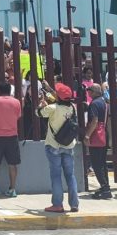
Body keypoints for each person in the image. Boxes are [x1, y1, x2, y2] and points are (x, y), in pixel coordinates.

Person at [39, 82, 78, 213]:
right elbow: (56, 97)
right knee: (70, 175)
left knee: (56, 176)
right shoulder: (73, 107)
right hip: (68, 145)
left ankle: (57, 204)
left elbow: (38, 113)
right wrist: (49, 90)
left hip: (53, 145)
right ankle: (74, 204)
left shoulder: (52, 108)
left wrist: (41, 105)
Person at [85, 84, 112, 199]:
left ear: (95, 91)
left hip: (96, 135)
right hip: (104, 135)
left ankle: (105, 188)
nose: (88, 92)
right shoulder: (104, 102)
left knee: (96, 164)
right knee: (102, 163)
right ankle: (106, 186)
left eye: (89, 90)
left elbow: (94, 121)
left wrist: (87, 135)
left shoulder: (94, 103)